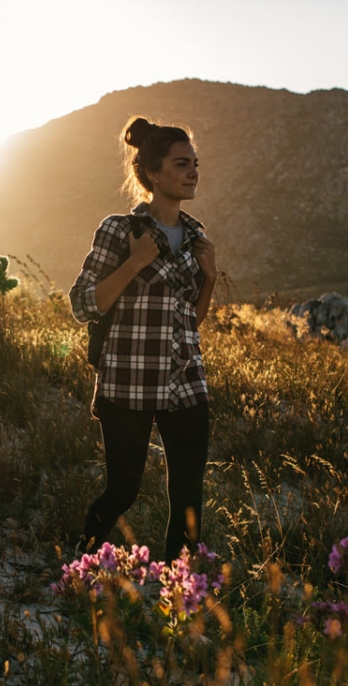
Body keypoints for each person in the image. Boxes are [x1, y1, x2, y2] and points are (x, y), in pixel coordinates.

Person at [68, 117, 218, 560]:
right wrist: (133, 264)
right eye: (180, 164)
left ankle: (179, 589)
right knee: (124, 489)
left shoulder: (197, 238)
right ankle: (84, 558)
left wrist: (209, 277)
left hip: (186, 381)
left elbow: (191, 322)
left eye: (195, 163)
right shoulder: (120, 230)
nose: (192, 172)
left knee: (189, 493)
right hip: (127, 382)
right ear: (153, 172)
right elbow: (82, 305)